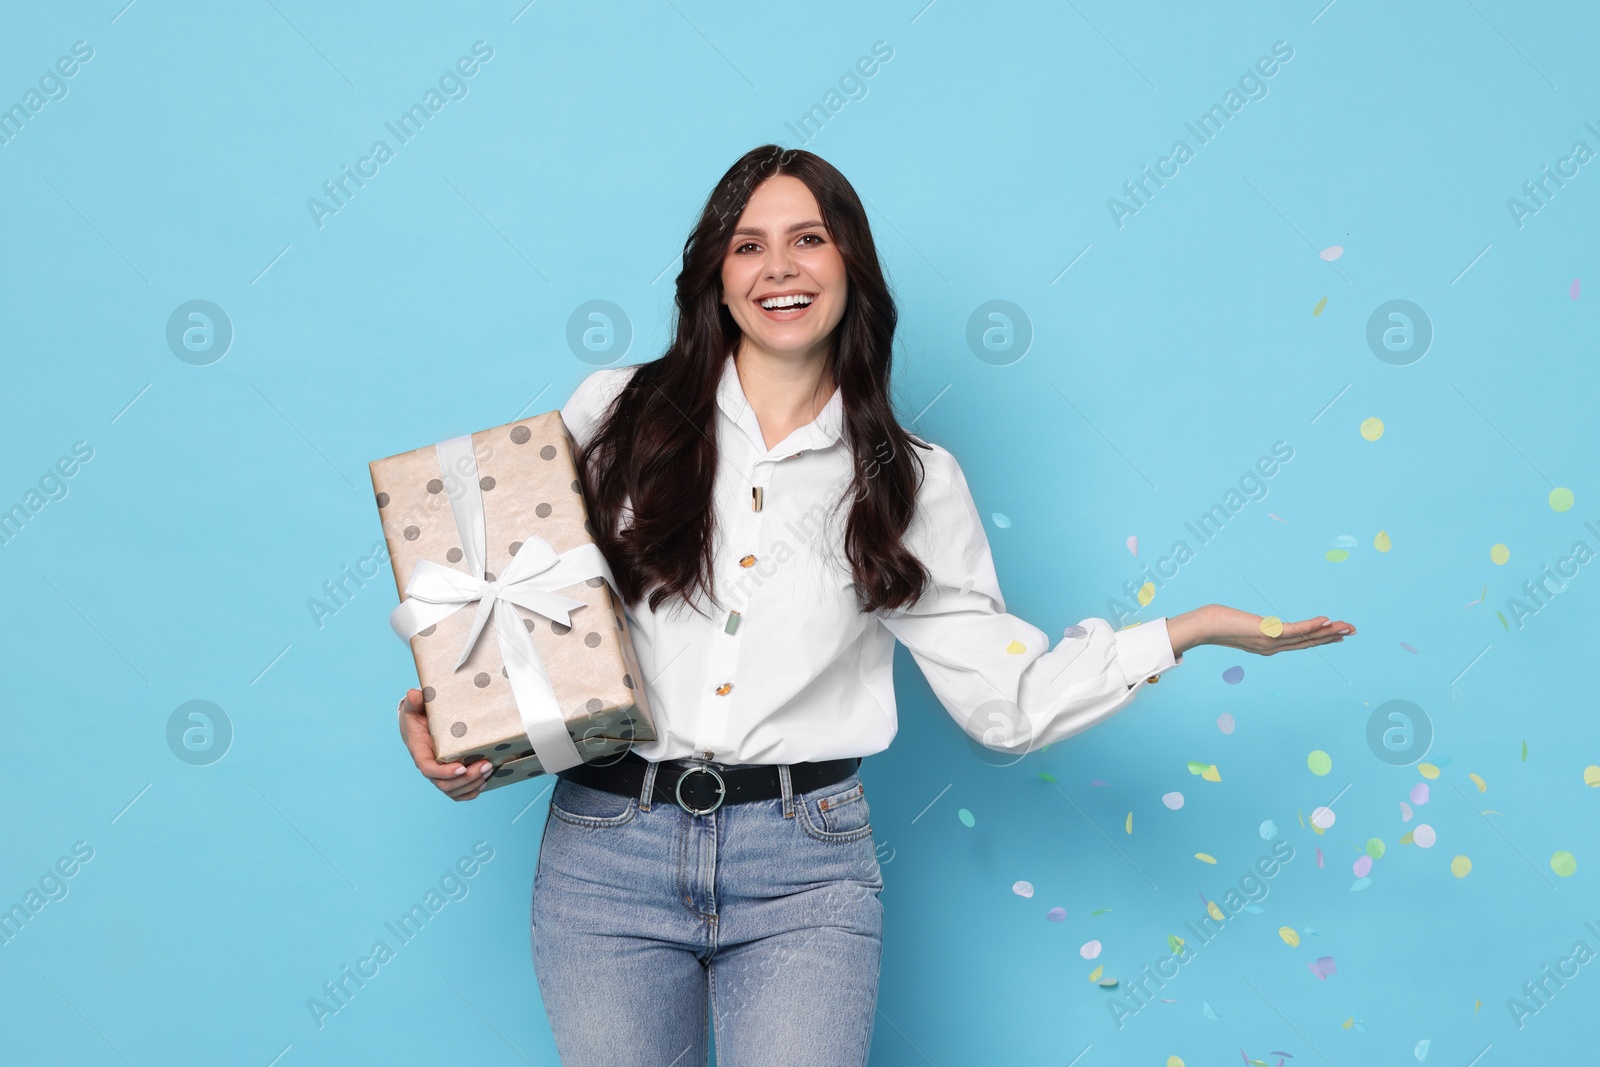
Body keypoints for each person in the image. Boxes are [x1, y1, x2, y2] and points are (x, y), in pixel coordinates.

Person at [395, 144, 1356, 1065]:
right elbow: (505, 591)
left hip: (804, 865)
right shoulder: (617, 410)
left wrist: (1184, 631)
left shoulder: (913, 481)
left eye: (809, 238)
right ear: (716, 277)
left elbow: (1007, 704)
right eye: (749, 243)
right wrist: (456, 719)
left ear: (851, 261)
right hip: (607, 851)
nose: (781, 266)